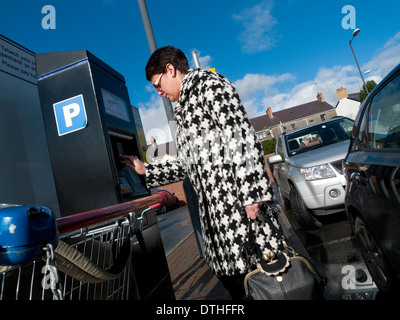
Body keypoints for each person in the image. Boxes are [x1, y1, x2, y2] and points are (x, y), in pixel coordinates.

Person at [121, 46, 284, 299]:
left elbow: (241, 138)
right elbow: (187, 164)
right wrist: (146, 171)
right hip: (217, 226)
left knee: (263, 286)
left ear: (170, 70)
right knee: (237, 287)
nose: (159, 92)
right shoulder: (184, 109)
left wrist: (252, 197)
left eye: (157, 84)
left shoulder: (210, 85)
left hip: (241, 216)